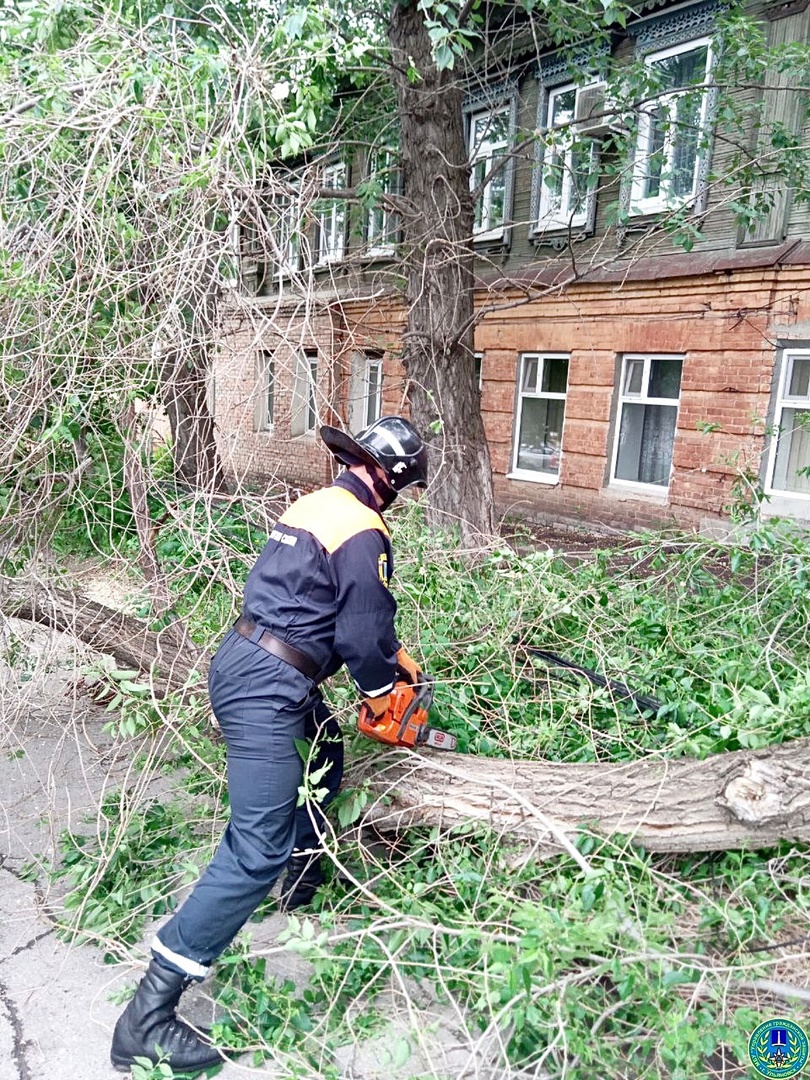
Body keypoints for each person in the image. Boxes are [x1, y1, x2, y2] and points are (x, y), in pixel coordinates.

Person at [110, 415, 429, 1074]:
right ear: (390, 477)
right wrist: (383, 697)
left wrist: (391, 659)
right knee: (254, 847)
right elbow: (361, 635)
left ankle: (300, 882)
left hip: (246, 658)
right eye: (402, 487)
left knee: (326, 747)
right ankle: (146, 1018)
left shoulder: (317, 505)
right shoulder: (365, 528)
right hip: (269, 686)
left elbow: (320, 603)